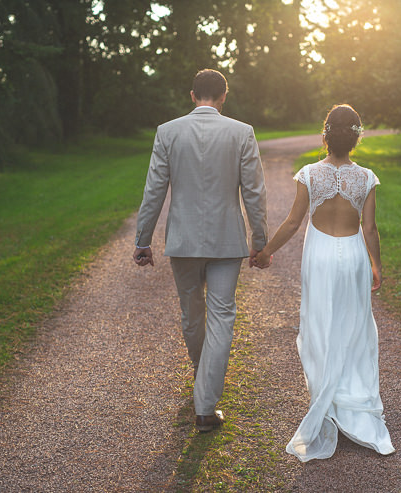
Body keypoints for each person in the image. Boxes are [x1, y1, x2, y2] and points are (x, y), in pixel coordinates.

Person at [254, 104, 395, 461]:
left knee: (319, 326)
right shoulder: (366, 177)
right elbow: (370, 228)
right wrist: (376, 264)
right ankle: (350, 401)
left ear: (325, 135)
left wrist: (266, 251)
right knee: (354, 327)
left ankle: (327, 400)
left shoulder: (309, 174)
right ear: (356, 138)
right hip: (353, 257)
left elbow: (291, 222)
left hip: (319, 258)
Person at [134, 69, 269, 432]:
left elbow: (154, 190)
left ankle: (203, 384)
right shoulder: (241, 132)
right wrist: (261, 241)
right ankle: (206, 403)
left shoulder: (168, 131)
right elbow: (254, 193)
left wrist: (143, 239)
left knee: (192, 314)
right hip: (227, 241)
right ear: (224, 96)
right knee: (222, 315)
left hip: (184, 242)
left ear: (193, 95)